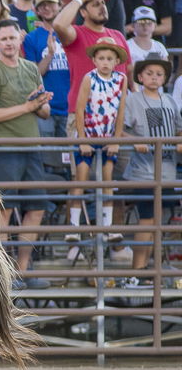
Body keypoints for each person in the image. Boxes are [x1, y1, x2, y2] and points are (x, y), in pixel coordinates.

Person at [0, 19, 52, 280]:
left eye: (12, 38)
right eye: (4, 39)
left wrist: (39, 103)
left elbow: (45, 112)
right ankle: (2, 272)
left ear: (20, 40)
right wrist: (28, 107)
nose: (8, 43)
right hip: (4, 148)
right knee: (4, 210)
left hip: (32, 147)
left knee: (37, 207)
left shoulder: (31, 68)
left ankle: (23, 269)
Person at [121, 59, 182, 284]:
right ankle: (138, 270)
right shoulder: (133, 100)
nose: (154, 77)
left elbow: (177, 129)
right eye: (149, 73)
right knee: (146, 219)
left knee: (158, 219)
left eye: (159, 73)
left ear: (165, 79)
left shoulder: (169, 101)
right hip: (143, 171)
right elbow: (120, 132)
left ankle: (151, 268)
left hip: (166, 171)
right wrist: (136, 141)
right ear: (140, 77)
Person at [70, 37, 129, 243]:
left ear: (116, 61)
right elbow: (79, 109)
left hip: (108, 136)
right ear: (94, 60)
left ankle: (108, 226)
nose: (105, 62)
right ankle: (74, 226)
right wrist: (82, 140)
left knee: (108, 178)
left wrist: (116, 139)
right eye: (101, 58)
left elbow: (121, 110)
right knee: (82, 176)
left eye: (109, 58)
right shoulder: (89, 78)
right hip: (89, 134)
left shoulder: (122, 79)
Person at [22, 0, 71, 140]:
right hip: (46, 107)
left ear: (60, 5)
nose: (47, 8)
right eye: (42, 5)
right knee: (47, 157)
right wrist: (50, 54)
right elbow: (34, 74)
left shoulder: (70, 33)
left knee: (69, 159)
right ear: (37, 10)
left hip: (70, 107)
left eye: (51, 3)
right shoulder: (31, 38)